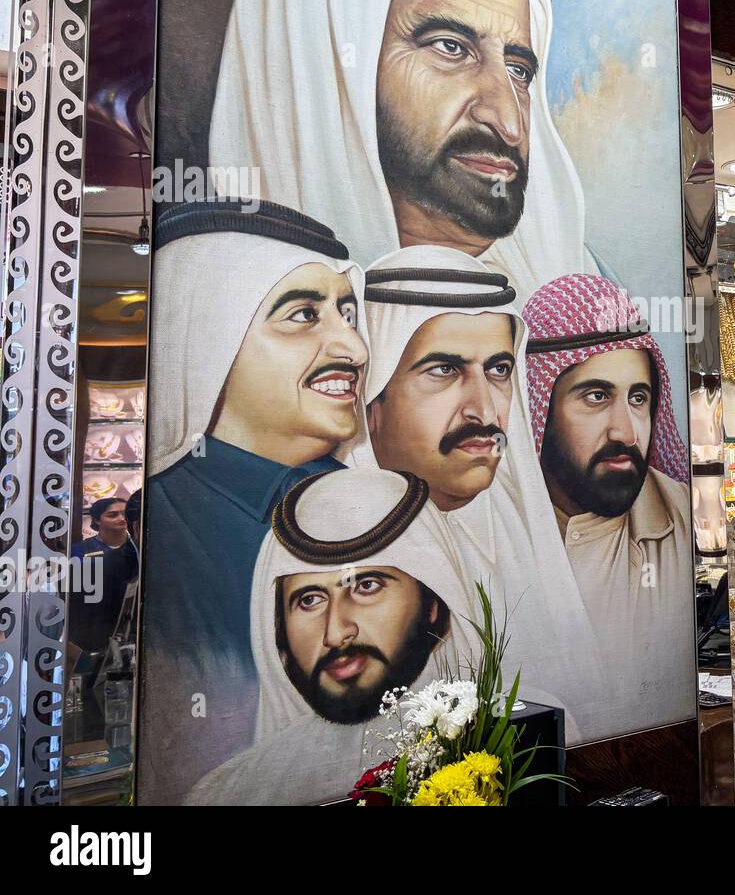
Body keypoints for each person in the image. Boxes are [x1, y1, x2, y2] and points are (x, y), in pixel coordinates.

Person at [208, 0, 594, 297]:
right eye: (451, 47)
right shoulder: (234, 300)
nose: (509, 122)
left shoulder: (579, 311)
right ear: (327, 57)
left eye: (518, 70)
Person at [138, 199, 369, 804]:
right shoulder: (151, 530)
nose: (354, 348)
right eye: (303, 315)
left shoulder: (374, 505)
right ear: (208, 336)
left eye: (348, 313)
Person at [355, 246, 602, 740]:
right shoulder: (328, 557)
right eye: (444, 370)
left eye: (499, 370)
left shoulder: (516, 529)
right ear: (372, 396)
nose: (484, 410)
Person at [187, 468, 474, 805]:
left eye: (367, 586)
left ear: (433, 606)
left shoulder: (511, 745)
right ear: (278, 635)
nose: (336, 633)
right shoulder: (225, 796)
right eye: (309, 600)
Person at [523, 274, 694, 734]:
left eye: (638, 398)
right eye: (597, 397)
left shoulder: (685, 520)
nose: (626, 431)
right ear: (536, 408)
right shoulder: (492, 530)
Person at [67, 498, 139, 670]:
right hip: (95, 640)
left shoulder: (137, 550)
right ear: (98, 520)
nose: (121, 519)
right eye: (113, 515)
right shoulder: (80, 552)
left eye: (124, 514)